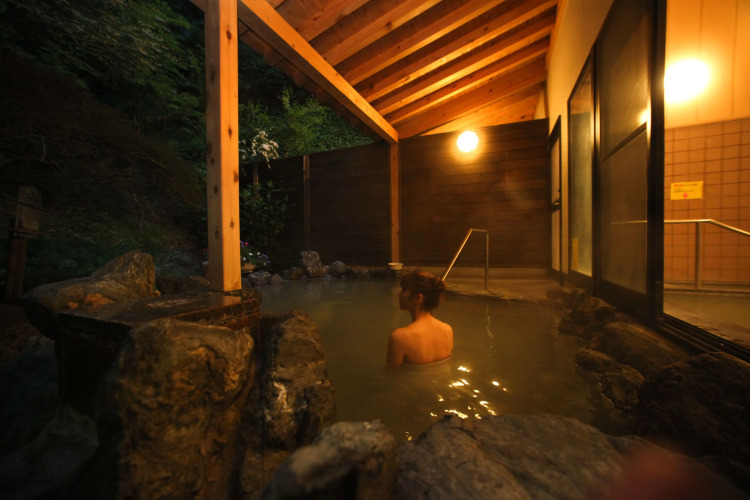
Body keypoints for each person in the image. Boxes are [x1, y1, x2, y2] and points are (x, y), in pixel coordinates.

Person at [387, 270, 454, 366]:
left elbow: (391, 373)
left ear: (418, 298)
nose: (399, 294)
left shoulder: (400, 337)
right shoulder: (448, 330)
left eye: (404, 290)